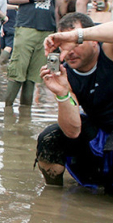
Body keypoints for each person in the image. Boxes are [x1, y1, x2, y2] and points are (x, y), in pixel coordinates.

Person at [37, 13, 113, 191]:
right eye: (63, 46)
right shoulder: (66, 74)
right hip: (99, 130)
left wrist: (77, 35)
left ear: (94, 40)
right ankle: (52, 197)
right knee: (50, 138)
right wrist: (62, 93)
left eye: (75, 45)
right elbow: (72, 131)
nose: (69, 51)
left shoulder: (108, 51)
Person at [5, 0, 66, 107]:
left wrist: (59, 32)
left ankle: (25, 115)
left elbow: (59, 7)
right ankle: (7, 111)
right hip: (26, 26)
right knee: (17, 71)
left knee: (34, 76)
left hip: (48, 29)